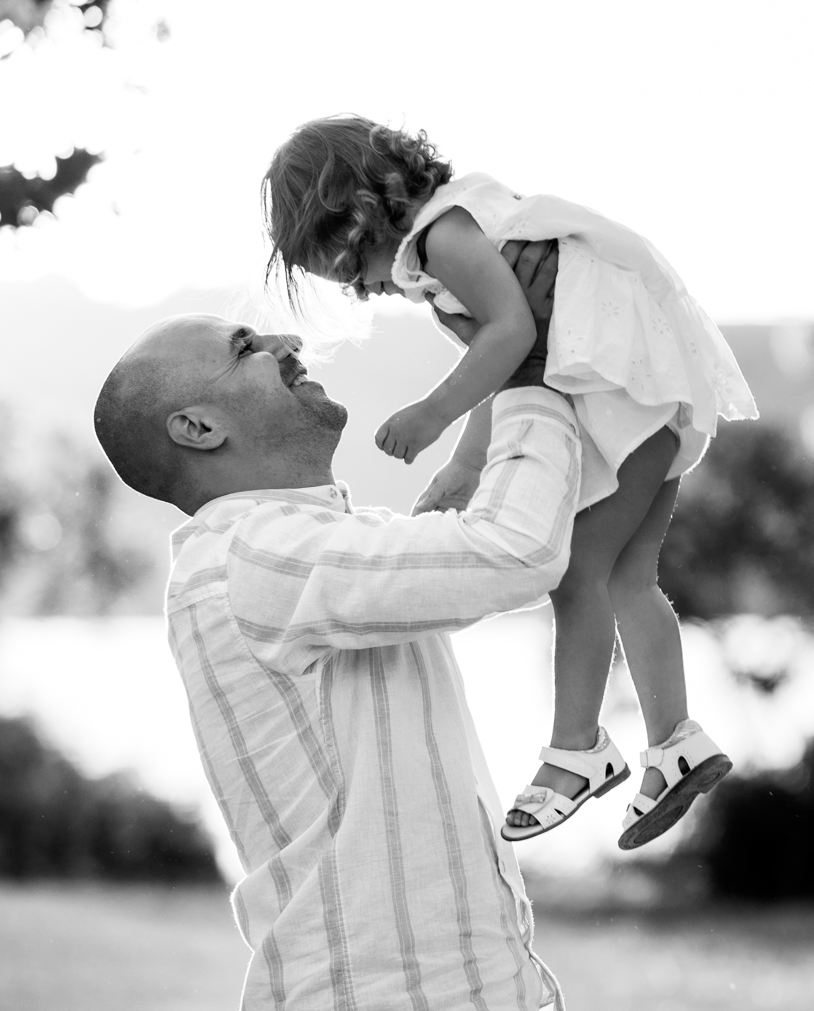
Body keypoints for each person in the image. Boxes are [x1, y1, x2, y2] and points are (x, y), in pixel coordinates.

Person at [95, 241, 570, 1011]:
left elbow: (489, 537)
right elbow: (516, 549)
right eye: (243, 345)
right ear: (196, 425)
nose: (281, 335)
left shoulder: (305, 548)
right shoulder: (257, 555)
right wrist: (531, 374)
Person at [263, 115, 757, 850]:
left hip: (629, 388)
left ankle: (576, 752)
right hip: (649, 388)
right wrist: (466, 466)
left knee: (575, 574)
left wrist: (432, 415)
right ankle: (675, 741)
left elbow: (511, 335)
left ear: (357, 214)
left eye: (343, 266)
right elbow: (514, 360)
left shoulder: (442, 237)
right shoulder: (457, 226)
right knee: (628, 580)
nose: (359, 287)